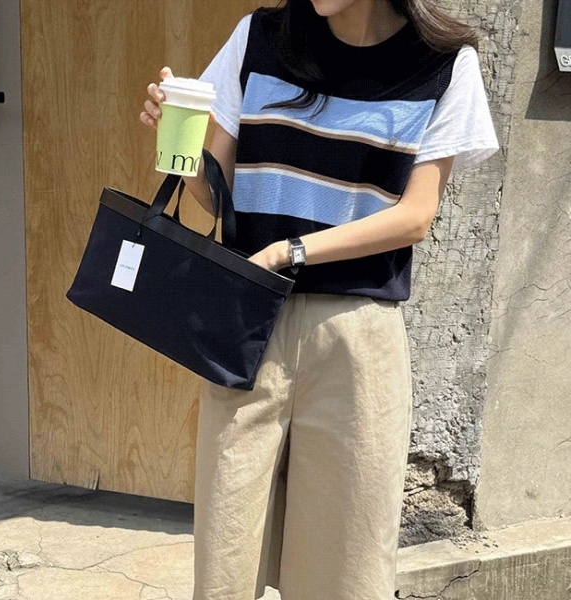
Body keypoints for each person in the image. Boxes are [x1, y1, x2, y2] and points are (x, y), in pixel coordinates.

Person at [140, 0, 498, 598]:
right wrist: (174, 138)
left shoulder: (443, 63)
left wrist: (290, 251)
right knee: (227, 556)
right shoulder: (259, 38)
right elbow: (218, 194)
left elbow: (415, 216)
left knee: (345, 564)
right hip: (248, 324)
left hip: (355, 337)